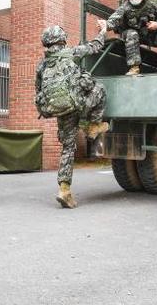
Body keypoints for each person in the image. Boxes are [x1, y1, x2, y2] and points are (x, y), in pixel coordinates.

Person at [35, 21, 110, 209]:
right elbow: (95, 46)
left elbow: (38, 90)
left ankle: (64, 189)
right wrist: (103, 30)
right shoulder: (71, 53)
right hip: (78, 105)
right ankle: (93, 125)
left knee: (68, 148)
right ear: (62, 39)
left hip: (60, 111)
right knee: (99, 88)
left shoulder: (42, 65)